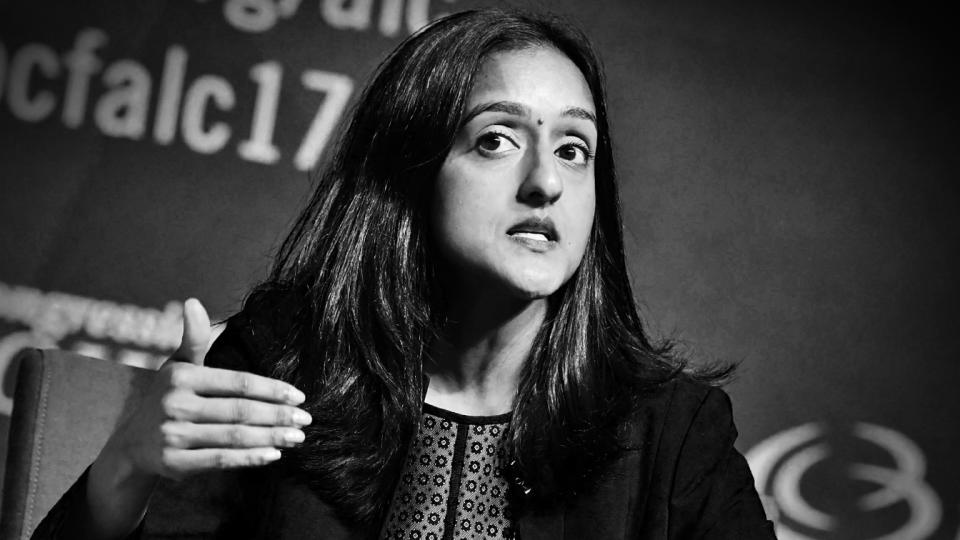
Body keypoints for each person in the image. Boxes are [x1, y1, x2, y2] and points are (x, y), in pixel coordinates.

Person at [34, 8, 775, 540]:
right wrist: (127, 464)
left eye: (574, 149)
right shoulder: (276, 371)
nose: (545, 180)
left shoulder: (673, 431)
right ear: (412, 173)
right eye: (496, 140)